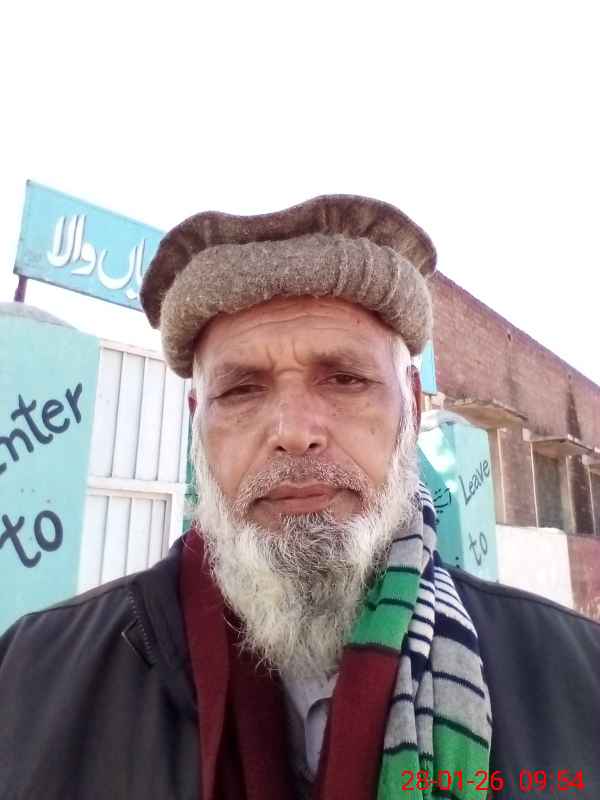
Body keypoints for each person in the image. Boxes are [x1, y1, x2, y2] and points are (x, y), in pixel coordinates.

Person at [1, 195, 599, 800]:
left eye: (345, 379)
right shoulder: (30, 683)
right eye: (241, 390)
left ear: (412, 410)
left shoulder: (578, 679)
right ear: (197, 424)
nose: (293, 432)